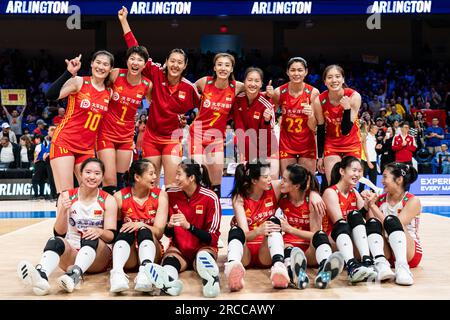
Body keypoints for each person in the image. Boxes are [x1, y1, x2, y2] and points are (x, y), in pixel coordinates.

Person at [119, 7, 200, 188]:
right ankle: (152, 217)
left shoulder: (189, 88)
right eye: (172, 61)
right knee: (150, 184)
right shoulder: (155, 72)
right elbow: (135, 50)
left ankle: (171, 216)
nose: (175, 65)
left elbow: (206, 106)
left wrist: (193, 126)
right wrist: (124, 21)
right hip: (151, 138)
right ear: (166, 61)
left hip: (172, 139)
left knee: (173, 184)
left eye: (180, 62)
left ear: (185, 65)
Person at [17, 158, 117, 295]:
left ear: (102, 176)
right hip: (71, 254)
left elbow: (111, 236)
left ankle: (74, 275)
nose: (92, 177)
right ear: (80, 174)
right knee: (55, 242)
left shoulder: (108, 199)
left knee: (90, 237)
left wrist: (99, 231)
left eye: (97, 173)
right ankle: (41, 276)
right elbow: (59, 233)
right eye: (88, 172)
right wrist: (63, 211)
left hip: (98, 257)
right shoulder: (66, 196)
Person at [224, 162, 326, 292]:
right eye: (266, 177)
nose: (270, 179)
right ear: (255, 180)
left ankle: (279, 266)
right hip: (246, 253)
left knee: (273, 222)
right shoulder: (239, 198)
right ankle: (233, 267)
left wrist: (313, 193)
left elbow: (299, 179)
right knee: (235, 231)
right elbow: (245, 235)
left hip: (266, 250)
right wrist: (258, 230)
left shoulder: (275, 188)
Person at [143, 159, 221, 298]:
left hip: (203, 247)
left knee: (203, 257)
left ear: (191, 178)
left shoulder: (210, 198)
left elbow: (212, 238)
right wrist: (169, 226)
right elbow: (168, 233)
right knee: (169, 262)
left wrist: (189, 226)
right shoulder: (171, 194)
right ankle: (169, 283)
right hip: (179, 249)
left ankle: (211, 281)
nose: (176, 178)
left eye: (179, 174)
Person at [46, 51, 113, 197]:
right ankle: (62, 219)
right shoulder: (79, 82)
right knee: (67, 195)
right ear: (92, 64)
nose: (101, 67)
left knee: (89, 194)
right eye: (98, 62)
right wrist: (68, 73)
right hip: (65, 142)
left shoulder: (110, 93)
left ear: (110, 69)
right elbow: (50, 95)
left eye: (105, 64)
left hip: (86, 148)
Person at [97, 45, 152, 195]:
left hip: (126, 134)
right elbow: (98, 89)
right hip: (106, 132)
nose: (135, 62)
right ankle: (109, 214)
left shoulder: (147, 84)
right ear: (127, 61)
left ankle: (119, 216)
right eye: (132, 59)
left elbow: (156, 105)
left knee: (121, 179)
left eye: (139, 60)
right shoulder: (115, 74)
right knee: (109, 179)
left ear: (145, 64)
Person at [278, 164, 344, 289]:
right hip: (289, 245)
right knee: (288, 249)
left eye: (285, 180)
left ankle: (324, 268)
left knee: (320, 235)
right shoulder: (281, 196)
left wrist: (290, 229)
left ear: (296, 186)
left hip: (309, 250)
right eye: (282, 178)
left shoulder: (313, 202)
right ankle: (297, 274)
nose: (281, 182)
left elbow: (314, 234)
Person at [190, 53, 244, 198]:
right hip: (198, 134)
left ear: (232, 69)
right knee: (200, 173)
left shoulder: (237, 87)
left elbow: (254, 93)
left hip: (217, 137)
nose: (223, 68)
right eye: (219, 64)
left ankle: (215, 212)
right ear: (214, 67)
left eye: (227, 65)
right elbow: (187, 93)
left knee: (216, 180)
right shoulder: (204, 82)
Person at [109, 159, 168, 293]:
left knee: (143, 229)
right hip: (128, 254)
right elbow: (114, 233)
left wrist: (141, 224)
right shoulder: (119, 197)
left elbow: (158, 233)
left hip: (152, 250)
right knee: (126, 229)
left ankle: (146, 272)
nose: (155, 177)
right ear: (137, 177)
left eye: (155, 173)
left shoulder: (161, 195)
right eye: (151, 173)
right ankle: (117, 272)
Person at [363, 162, 421, 285]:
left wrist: (374, 206)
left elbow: (394, 226)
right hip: (388, 250)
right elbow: (373, 225)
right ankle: (381, 264)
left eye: (385, 177)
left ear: (399, 179)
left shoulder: (412, 200)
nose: (382, 181)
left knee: (393, 221)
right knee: (372, 223)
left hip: (410, 252)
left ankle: (402, 268)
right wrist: (368, 205)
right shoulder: (381, 199)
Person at [321, 156, 377, 283]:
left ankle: (367, 261)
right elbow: (339, 223)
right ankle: (352, 266)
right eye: (354, 170)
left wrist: (370, 204)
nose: (357, 174)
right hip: (335, 238)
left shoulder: (354, 192)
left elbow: (366, 219)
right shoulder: (331, 192)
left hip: (352, 237)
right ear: (342, 171)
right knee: (346, 221)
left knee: (370, 225)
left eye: (359, 171)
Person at [266, 57, 319, 174]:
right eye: (293, 70)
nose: (296, 73)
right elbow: (268, 116)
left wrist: (310, 115)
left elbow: (313, 127)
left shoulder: (313, 93)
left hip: (307, 145)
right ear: (287, 72)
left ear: (306, 72)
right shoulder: (279, 92)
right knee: (287, 183)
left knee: (307, 183)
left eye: (300, 70)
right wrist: (268, 96)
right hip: (287, 145)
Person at [315, 65, 362, 186]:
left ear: (343, 79)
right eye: (329, 77)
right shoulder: (319, 100)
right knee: (334, 184)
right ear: (325, 82)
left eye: (337, 76)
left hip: (352, 143)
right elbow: (320, 129)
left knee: (350, 184)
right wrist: (320, 156)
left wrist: (347, 109)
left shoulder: (354, 96)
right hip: (332, 144)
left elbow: (346, 130)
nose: (334, 80)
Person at [232, 67, 279, 179]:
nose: (253, 84)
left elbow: (268, 133)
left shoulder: (267, 103)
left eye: (257, 81)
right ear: (244, 82)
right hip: (248, 149)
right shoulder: (238, 99)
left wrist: (266, 120)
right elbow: (239, 127)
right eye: (250, 80)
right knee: (250, 185)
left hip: (267, 149)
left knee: (270, 182)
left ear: (262, 84)